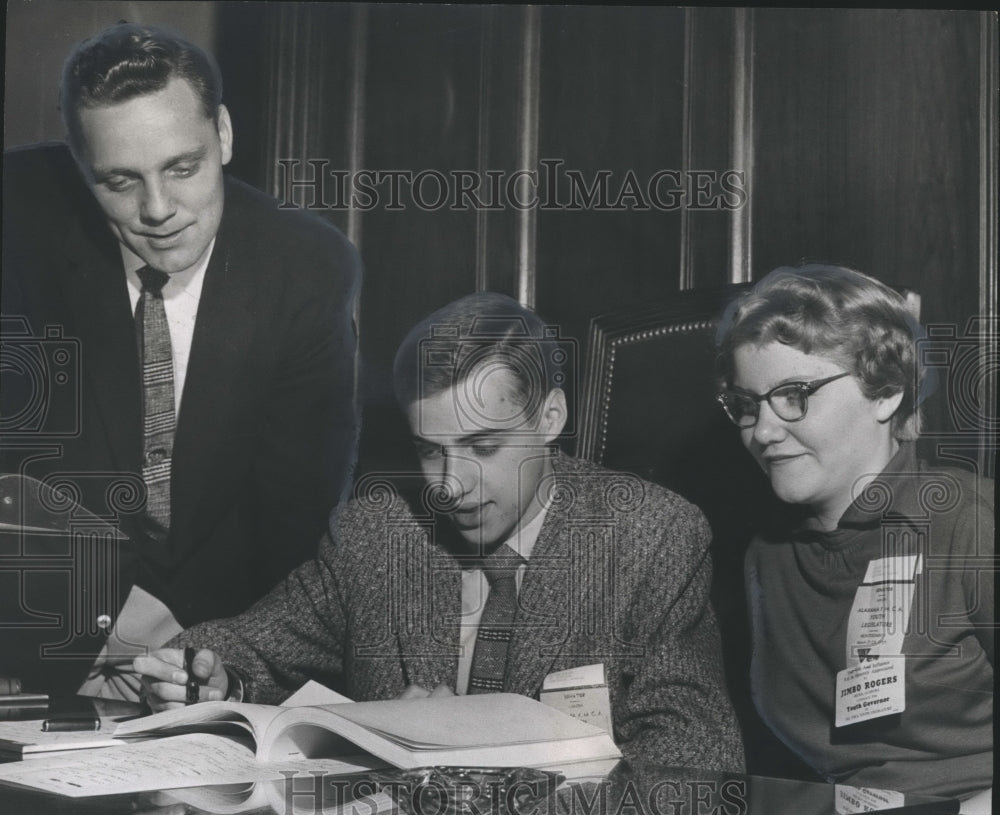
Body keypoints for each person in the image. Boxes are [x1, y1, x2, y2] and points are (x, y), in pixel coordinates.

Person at [134, 292, 745, 771]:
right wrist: (207, 673)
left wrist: (484, 742)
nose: (449, 486)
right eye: (431, 450)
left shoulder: (652, 537)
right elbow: (247, 645)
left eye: (482, 445)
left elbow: (695, 769)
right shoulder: (378, 533)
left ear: (551, 417)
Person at [0, 24, 360, 698]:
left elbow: (292, 516)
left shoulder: (306, 268)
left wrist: (200, 659)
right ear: (83, 169)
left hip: (214, 652)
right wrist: (100, 626)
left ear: (222, 135)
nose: (158, 211)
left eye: (182, 167)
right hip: (33, 631)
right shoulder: (14, 226)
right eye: (120, 181)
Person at [715, 264, 992, 815]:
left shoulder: (970, 526)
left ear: (887, 392)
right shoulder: (765, 553)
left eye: (796, 396)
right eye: (745, 403)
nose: (762, 431)